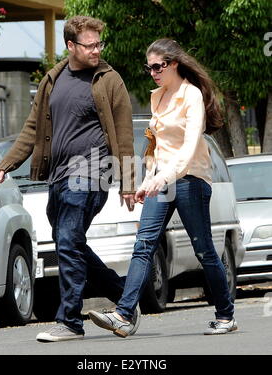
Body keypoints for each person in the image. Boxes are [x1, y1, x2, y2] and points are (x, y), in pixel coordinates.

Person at [0, 15, 141, 342]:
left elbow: (125, 134)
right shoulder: (53, 79)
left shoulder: (108, 79)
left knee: (69, 238)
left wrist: (128, 183)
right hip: (58, 176)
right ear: (71, 45)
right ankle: (123, 295)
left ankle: (70, 321)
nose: (96, 51)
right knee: (67, 242)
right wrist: (8, 162)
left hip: (91, 173)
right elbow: (32, 129)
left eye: (99, 44)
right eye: (89, 45)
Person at [89, 38, 238, 337]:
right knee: (143, 244)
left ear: (175, 64)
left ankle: (226, 315)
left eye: (159, 66)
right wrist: (148, 180)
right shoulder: (158, 97)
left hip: (191, 179)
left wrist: (162, 179)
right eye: (150, 67)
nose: (153, 72)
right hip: (162, 180)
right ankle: (123, 314)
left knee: (205, 250)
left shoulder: (191, 95)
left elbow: (189, 146)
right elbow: (156, 147)